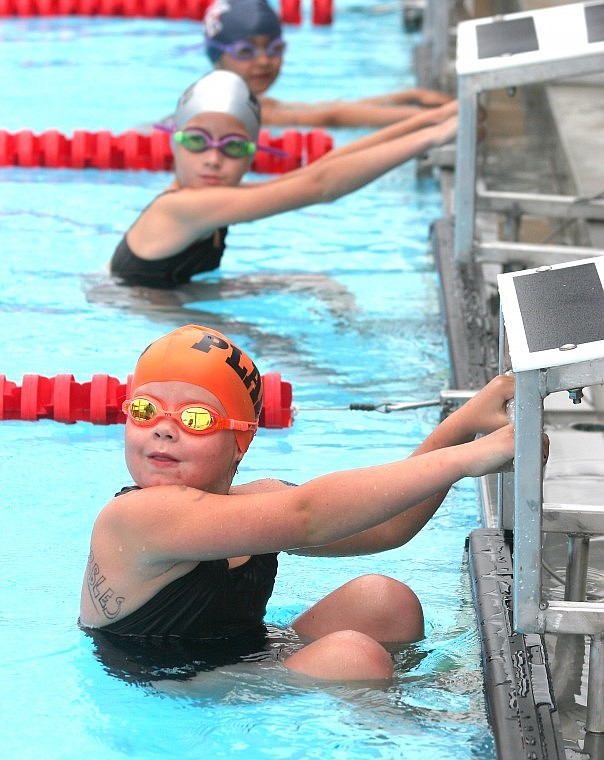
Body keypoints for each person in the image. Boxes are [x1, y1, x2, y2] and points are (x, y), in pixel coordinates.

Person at [79, 323, 515, 683]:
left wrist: (462, 426)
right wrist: (465, 460)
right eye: (143, 411)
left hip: (244, 657)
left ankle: (388, 706)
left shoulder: (260, 501)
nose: (164, 429)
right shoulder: (136, 518)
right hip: (169, 691)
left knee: (385, 601)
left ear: (239, 443)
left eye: (196, 418)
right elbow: (307, 515)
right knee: (353, 657)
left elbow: (389, 526)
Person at [110, 69, 458, 288]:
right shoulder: (184, 207)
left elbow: (317, 170)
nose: (213, 159)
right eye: (198, 142)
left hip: (165, 298)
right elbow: (319, 186)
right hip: (134, 306)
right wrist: (433, 137)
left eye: (231, 147)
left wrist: (434, 120)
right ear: (175, 142)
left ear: (250, 155)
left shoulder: (204, 196)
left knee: (317, 286)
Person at [203, 0, 454, 128]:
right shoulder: (230, 109)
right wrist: (434, 117)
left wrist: (411, 95)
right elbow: (329, 117)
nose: (264, 61)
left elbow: (319, 107)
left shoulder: (245, 98)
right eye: (246, 51)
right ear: (218, 55)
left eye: (274, 49)